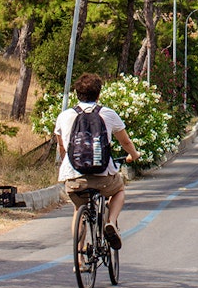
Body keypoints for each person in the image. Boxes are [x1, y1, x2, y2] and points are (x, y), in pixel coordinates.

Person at [55, 73, 141, 250]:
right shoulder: (107, 114)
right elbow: (125, 141)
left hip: (74, 179)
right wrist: (134, 154)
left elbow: (62, 147)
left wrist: (68, 163)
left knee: (78, 209)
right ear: (98, 94)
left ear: (76, 93)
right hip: (103, 178)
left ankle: (78, 257)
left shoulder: (64, 116)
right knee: (119, 190)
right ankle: (110, 221)